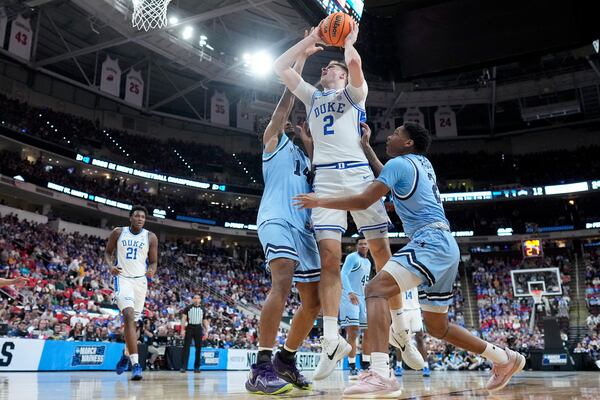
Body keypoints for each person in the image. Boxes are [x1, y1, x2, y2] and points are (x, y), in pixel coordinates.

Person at [293, 122, 526, 396]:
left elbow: (365, 200)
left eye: (395, 134)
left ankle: (380, 373)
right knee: (438, 327)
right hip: (447, 246)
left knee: (375, 290)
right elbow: (389, 178)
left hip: (429, 242)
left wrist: (320, 201)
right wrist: (366, 148)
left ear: (407, 143)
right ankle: (503, 357)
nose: (389, 136)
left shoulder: (399, 164)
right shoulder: (422, 164)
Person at [274, 21, 406, 381]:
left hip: (359, 174)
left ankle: (402, 327)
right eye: (325, 67)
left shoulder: (353, 95)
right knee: (329, 260)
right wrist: (308, 43)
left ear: (342, 76)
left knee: (383, 255)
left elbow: (356, 67)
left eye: (331, 67)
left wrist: (348, 43)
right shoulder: (312, 96)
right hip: (328, 179)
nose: (326, 68)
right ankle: (331, 339)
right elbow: (280, 68)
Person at [245, 33, 323, 395]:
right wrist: (303, 59)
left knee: (314, 303)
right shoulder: (272, 145)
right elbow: (284, 107)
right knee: (282, 281)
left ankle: (286, 360)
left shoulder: (306, 158)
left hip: (304, 229)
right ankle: (260, 367)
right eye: (288, 122)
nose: (291, 123)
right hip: (275, 219)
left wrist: (309, 143)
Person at [105, 205, 158, 381]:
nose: (140, 218)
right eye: (137, 215)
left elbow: (153, 262)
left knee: (133, 325)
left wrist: (152, 270)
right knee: (127, 315)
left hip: (140, 282)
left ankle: (125, 356)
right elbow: (107, 252)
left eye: (143, 216)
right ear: (130, 218)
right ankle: (136, 365)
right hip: (123, 279)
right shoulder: (118, 232)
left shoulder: (151, 237)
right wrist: (111, 266)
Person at [339, 237, 371, 377]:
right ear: (357, 246)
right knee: (353, 331)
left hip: (363, 298)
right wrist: (350, 291)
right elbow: (343, 274)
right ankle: (352, 365)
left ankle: (366, 364)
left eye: (365, 244)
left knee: (368, 331)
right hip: (350, 296)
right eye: (361, 244)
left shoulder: (368, 262)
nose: (363, 246)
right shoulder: (352, 257)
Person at [393, 288, 430, 377]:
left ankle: (425, 366)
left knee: (420, 339)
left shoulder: (415, 275)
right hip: (402, 309)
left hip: (415, 309)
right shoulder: (398, 275)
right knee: (400, 340)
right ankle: (398, 366)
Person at [180, 294, 210, 373]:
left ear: (200, 300)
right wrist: (182, 329)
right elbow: (183, 318)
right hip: (190, 327)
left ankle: (197, 367)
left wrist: (207, 331)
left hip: (198, 328)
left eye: (198, 298)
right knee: (186, 347)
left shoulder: (203, 309)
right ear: (193, 299)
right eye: (195, 298)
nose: (196, 299)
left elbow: (204, 320)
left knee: (198, 348)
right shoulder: (188, 308)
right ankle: (183, 366)